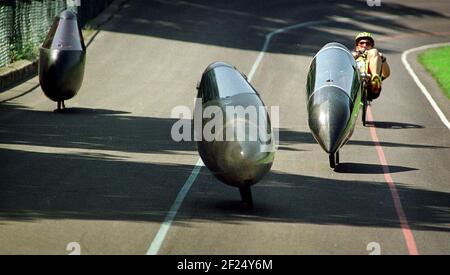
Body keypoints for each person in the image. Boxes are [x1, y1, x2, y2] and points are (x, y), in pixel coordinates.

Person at [352, 32, 390, 100]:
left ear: (371, 46)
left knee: (374, 52)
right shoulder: (353, 55)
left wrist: (383, 60)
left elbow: (386, 74)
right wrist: (356, 55)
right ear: (357, 46)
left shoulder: (375, 55)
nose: (364, 45)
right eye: (361, 43)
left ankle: (375, 80)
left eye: (368, 43)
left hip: (370, 88)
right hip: (353, 85)